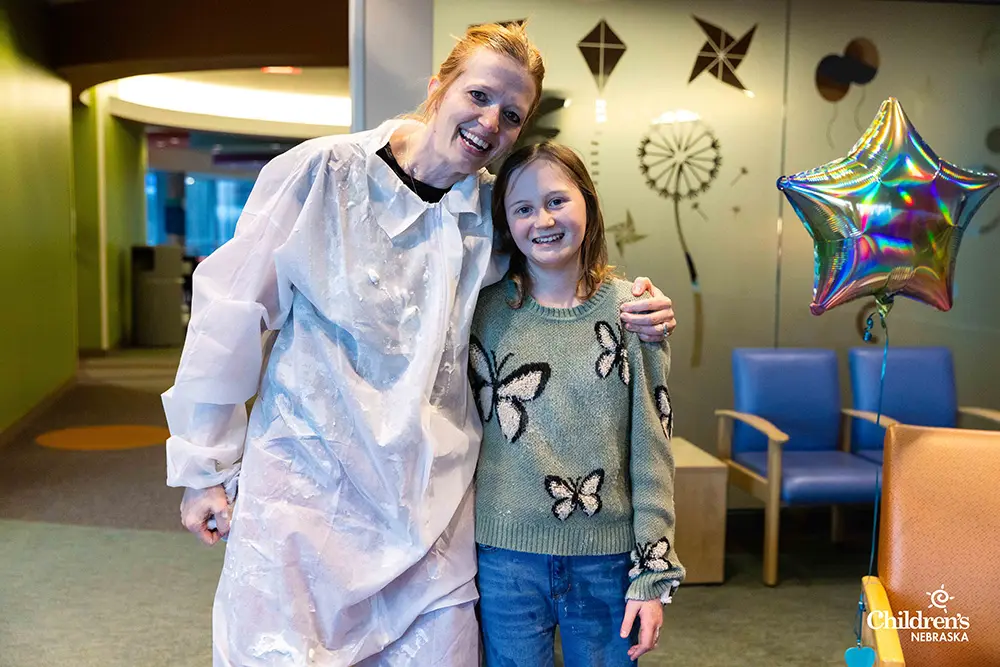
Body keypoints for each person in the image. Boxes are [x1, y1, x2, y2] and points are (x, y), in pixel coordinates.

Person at [162, 22, 677, 666]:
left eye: (513, 115)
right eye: (481, 96)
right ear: (439, 86)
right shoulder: (322, 173)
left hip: (432, 508)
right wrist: (204, 468)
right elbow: (230, 313)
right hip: (308, 492)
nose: (492, 123)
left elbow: (564, 274)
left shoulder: (492, 211)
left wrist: (642, 306)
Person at [470, 141, 685, 667]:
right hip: (504, 557)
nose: (541, 220)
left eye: (556, 201)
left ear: (587, 204)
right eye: (522, 208)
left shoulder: (633, 312)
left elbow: (652, 448)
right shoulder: (480, 311)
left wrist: (653, 572)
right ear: (506, 222)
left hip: (606, 559)